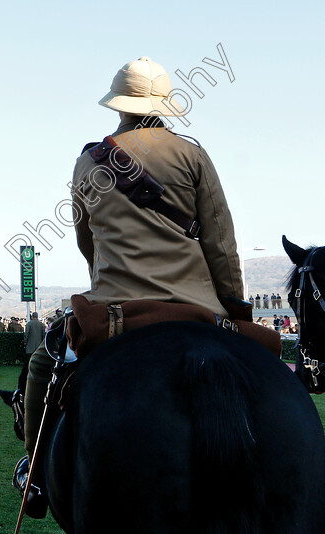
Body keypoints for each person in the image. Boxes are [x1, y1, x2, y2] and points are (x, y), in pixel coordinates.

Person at [19, 56, 245, 512]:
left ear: (117, 106)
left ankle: (35, 475)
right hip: (199, 306)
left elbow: (90, 245)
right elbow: (221, 243)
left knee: (44, 364)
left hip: (117, 311)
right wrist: (234, 310)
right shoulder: (193, 154)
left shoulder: (88, 162)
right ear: (163, 103)